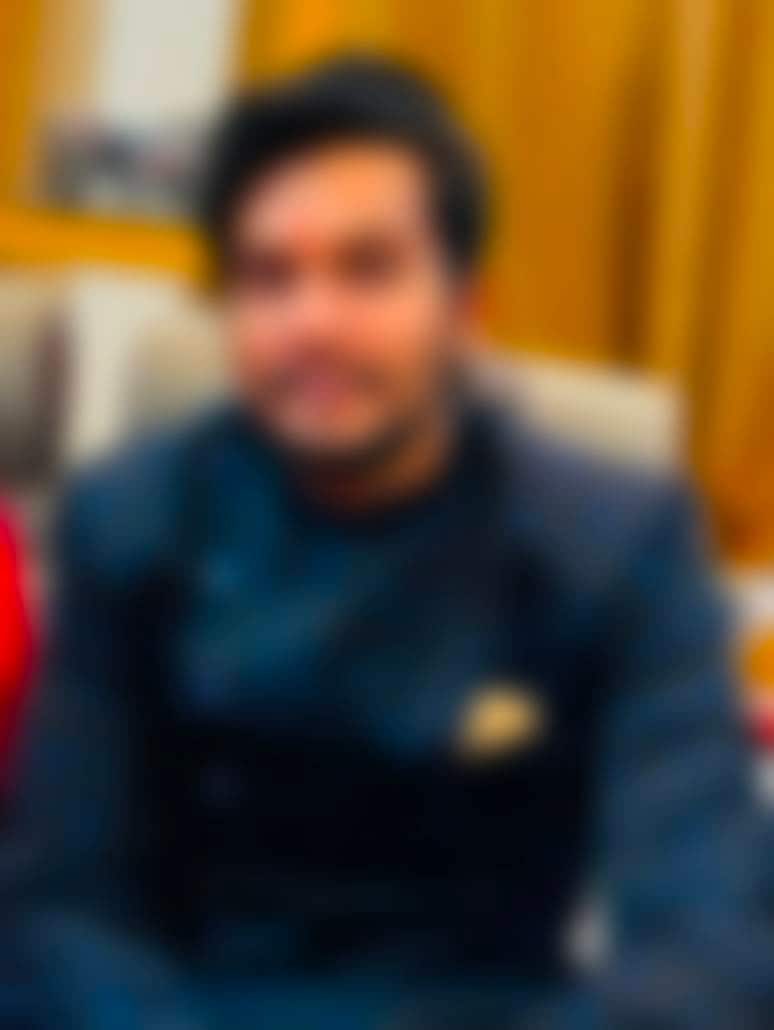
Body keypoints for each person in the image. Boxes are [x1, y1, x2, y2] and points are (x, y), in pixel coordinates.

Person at [2, 55, 771, 1030]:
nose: (313, 322)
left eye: (368, 269)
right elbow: (61, 908)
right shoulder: (130, 521)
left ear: (466, 309)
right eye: (270, 277)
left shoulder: (615, 543)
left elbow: (711, 938)